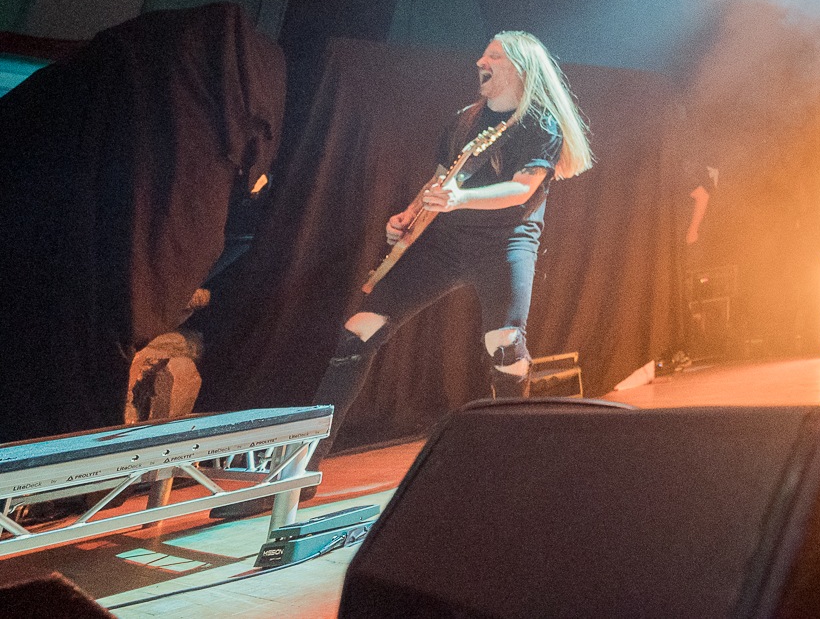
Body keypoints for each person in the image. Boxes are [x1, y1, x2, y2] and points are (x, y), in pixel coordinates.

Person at [213, 31, 590, 517]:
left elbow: (521, 189)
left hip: (505, 243)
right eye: (483, 52)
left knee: (504, 344)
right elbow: (442, 179)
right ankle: (300, 472)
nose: (480, 60)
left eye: (494, 55)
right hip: (446, 244)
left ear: (520, 67)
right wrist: (408, 217)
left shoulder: (539, 124)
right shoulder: (465, 120)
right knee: (357, 333)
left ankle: (514, 462)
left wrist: (459, 199)